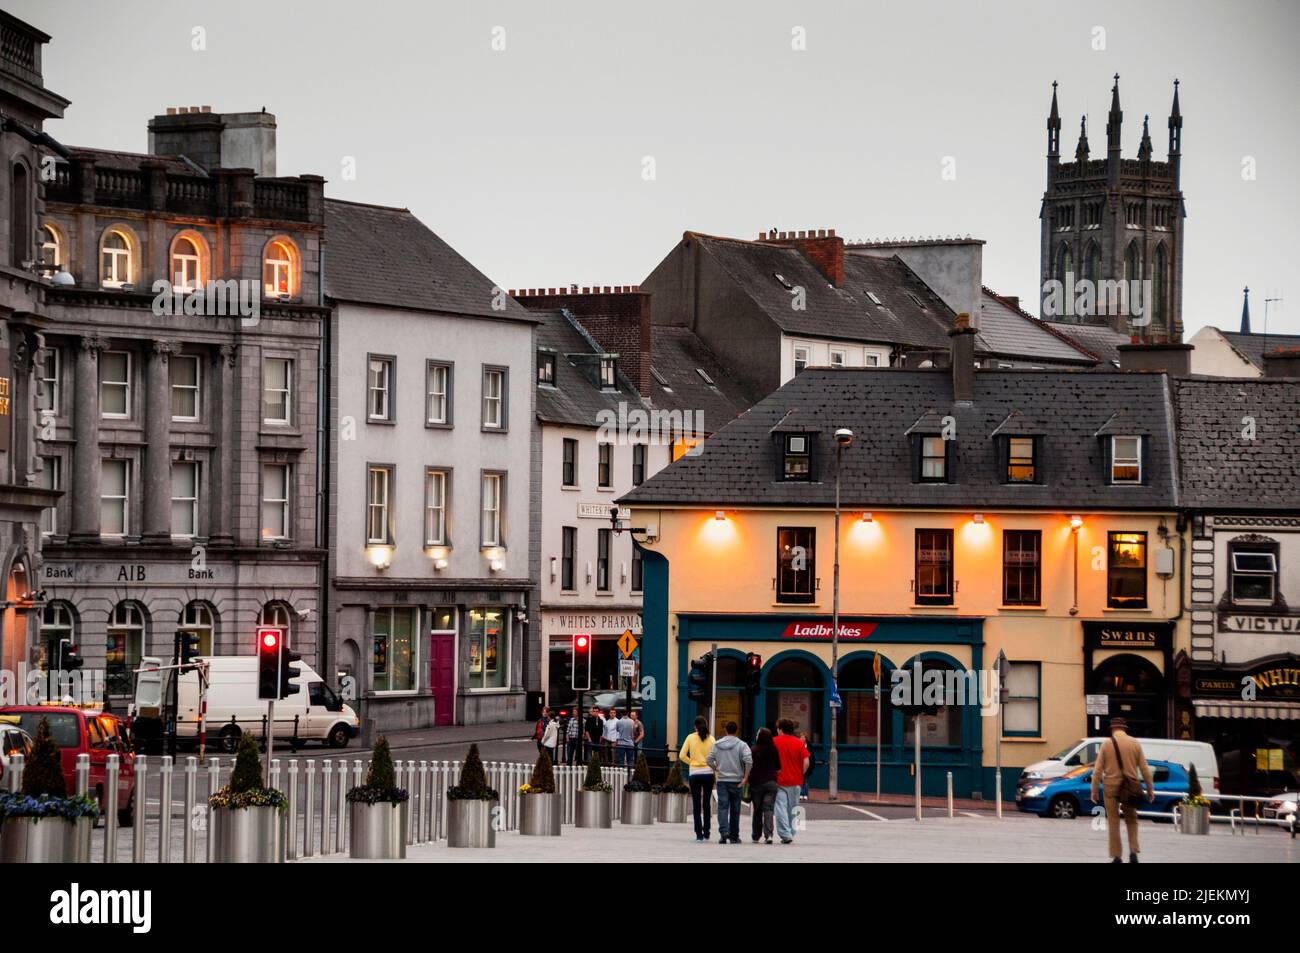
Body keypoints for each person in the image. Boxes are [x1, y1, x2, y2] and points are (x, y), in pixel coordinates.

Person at [1089, 716, 1155, 863]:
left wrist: (1093, 790)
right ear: (1125, 729)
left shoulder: (1106, 744)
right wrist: (1150, 789)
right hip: (1130, 787)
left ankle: (1117, 856)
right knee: (1132, 819)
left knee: (1113, 821)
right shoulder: (1135, 743)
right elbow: (1145, 769)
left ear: (1112, 729)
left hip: (1110, 786)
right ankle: (1133, 852)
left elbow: (1097, 770)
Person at [707, 721, 752, 844]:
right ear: (736, 730)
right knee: (735, 808)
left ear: (725, 730)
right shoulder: (742, 745)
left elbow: (709, 759)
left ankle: (723, 832)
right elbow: (749, 761)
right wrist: (745, 777)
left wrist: (716, 768)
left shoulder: (717, 744)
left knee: (722, 807)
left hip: (722, 780)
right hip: (737, 780)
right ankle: (734, 835)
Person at [679, 716, 715, 842]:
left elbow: (681, 755)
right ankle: (707, 832)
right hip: (708, 773)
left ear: (695, 726)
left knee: (696, 804)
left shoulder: (690, 737)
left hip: (695, 773)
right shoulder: (711, 739)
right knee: (706, 803)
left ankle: (699, 834)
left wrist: (692, 762)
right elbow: (715, 756)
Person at [773, 719, 809, 844]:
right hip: (796, 781)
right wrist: (800, 773)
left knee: (780, 807)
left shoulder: (774, 742)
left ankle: (785, 833)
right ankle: (791, 832)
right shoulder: (799, 743)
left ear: (780, 730)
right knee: (793, 808)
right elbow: (806, 762)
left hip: (779, 780)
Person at [748, 727, 781, 844]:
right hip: (771, 783)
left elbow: (749, 766)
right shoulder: (774, 750)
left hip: (756, 783)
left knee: (757, 810)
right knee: (769, 809)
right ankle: (769, 835)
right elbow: (778, 767)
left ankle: (756, 835)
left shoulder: (753, 750)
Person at [798, 730, 816, 800]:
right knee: (801, 781)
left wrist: (811, 767)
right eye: (801, 737)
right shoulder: (798, 745)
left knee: (806, 780)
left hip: (807, 766)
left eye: (803, 737)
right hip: (800, 766)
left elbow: (812, 757)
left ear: (806, 738)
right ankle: (801, 794)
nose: (802, 739)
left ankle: (805, 794)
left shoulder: (809, 746)